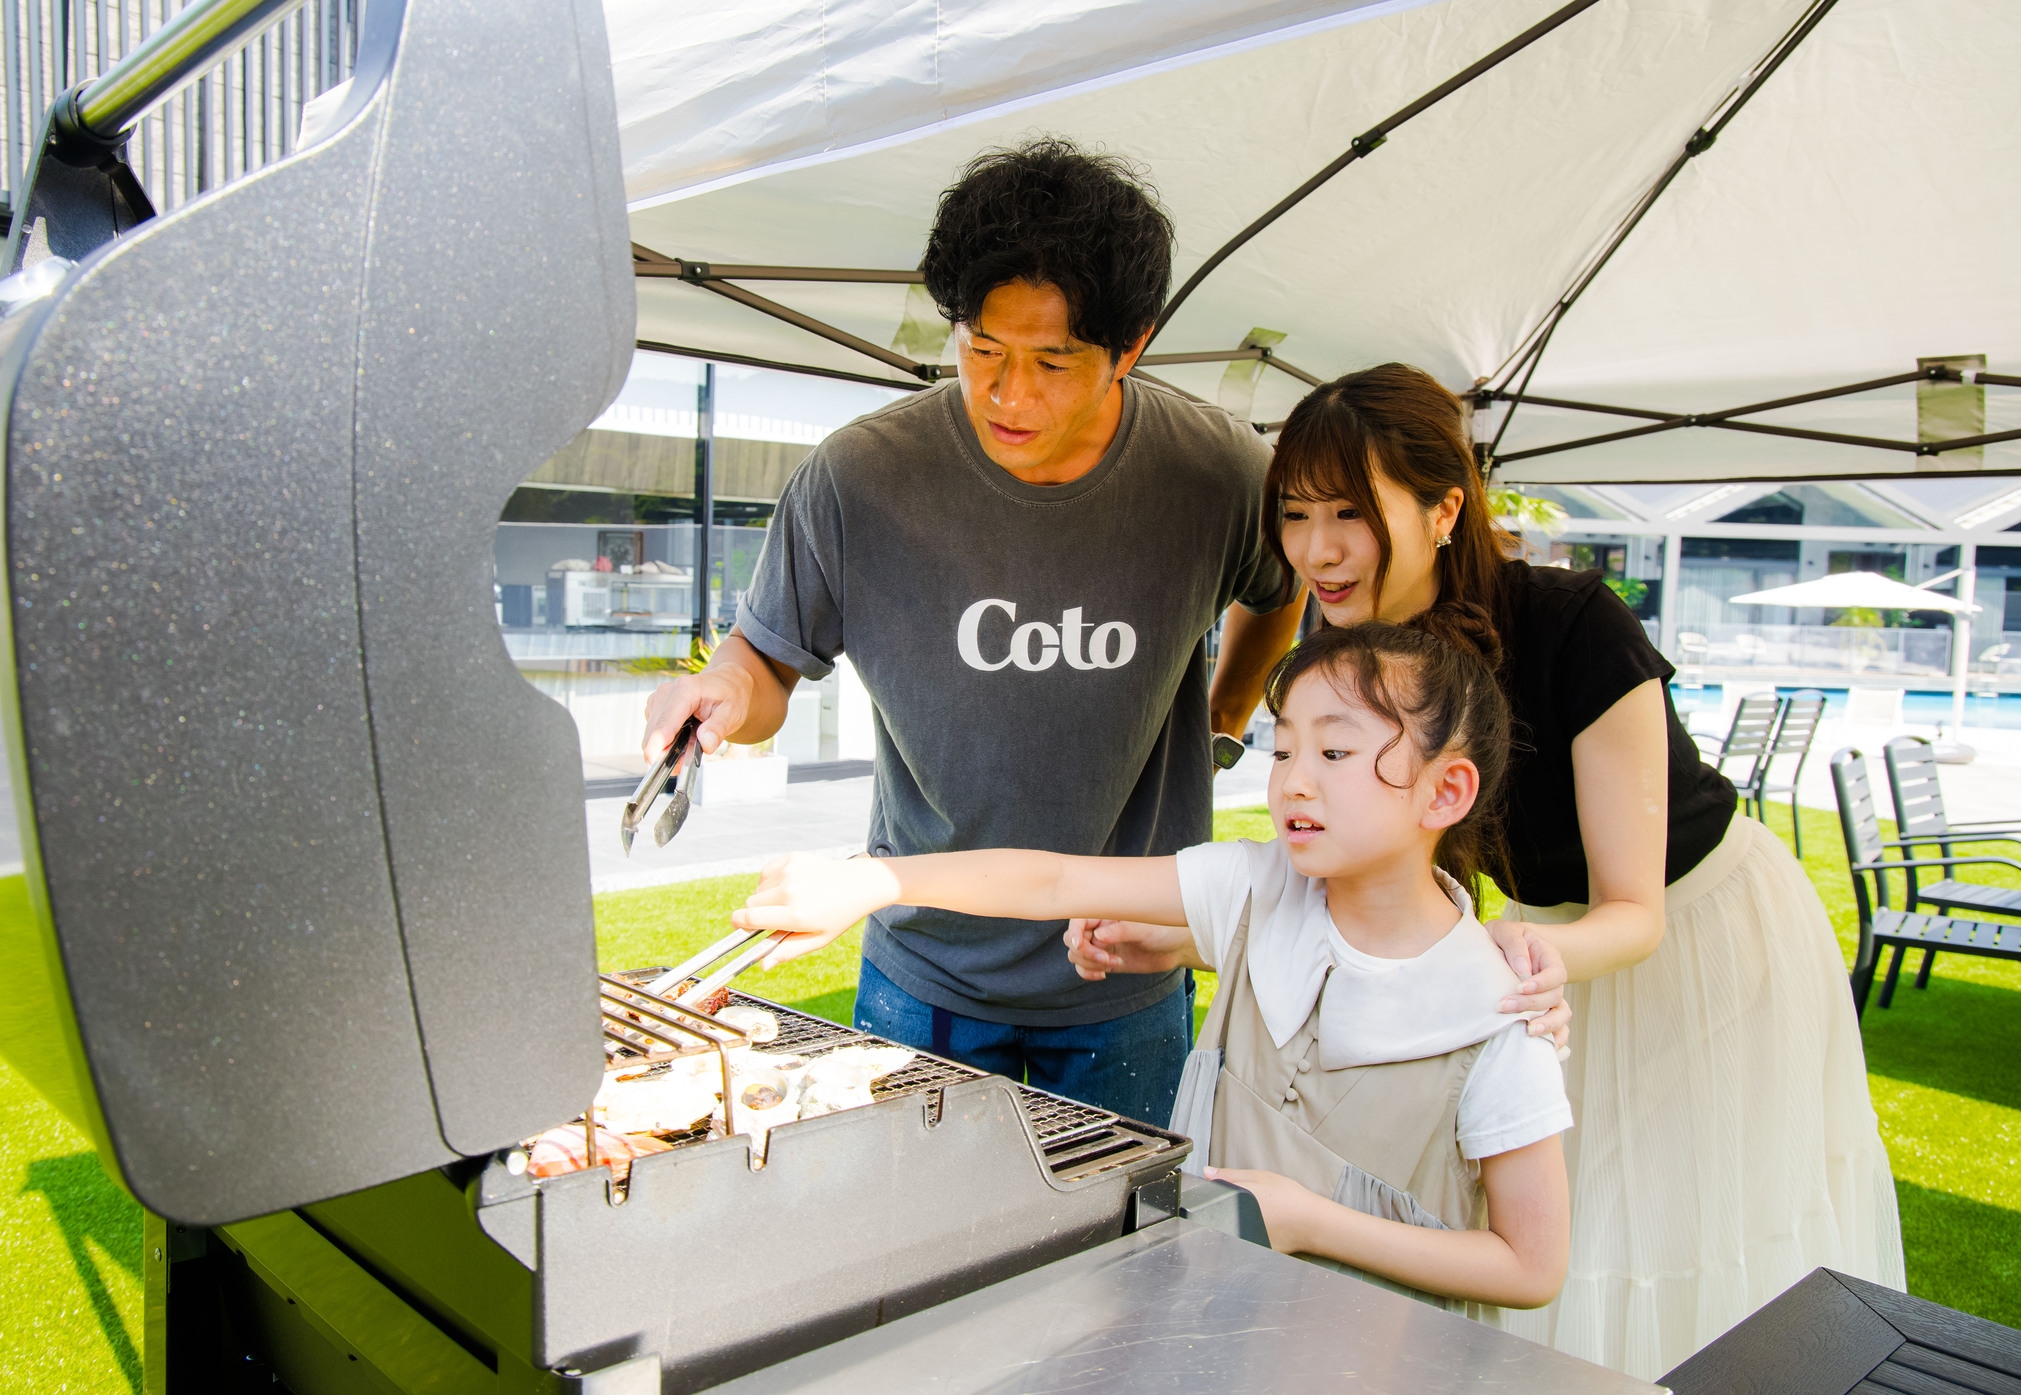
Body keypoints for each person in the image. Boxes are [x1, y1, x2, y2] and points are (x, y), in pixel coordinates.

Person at [640, 139, 1568, 1123]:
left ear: (1129, 345)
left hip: (1128, 972)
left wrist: (1224, 716)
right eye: (980, 351)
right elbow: (766, 664)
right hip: (922, 967)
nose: (1007, 394)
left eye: (1050, 361)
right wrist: (720, 695)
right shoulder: (858, 477)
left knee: (1127, 1259)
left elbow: (1276, 590)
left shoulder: (1213, 471)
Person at [1266, 362, 1905, 1376]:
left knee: (1661, 1229)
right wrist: (1180, 927)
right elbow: (1328, 853)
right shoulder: (1335, 637)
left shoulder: (1574, 625)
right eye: (1295, 514)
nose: (1315, 550)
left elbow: (1631, 909)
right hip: (1535, 954)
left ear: (1442, 508)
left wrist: (1517, 952)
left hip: (1695, 941)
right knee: (1548, 1224)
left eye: (1348, 511)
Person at [735, 620, 1573, 1317]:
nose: (1294, 783)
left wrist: (1309, 1222)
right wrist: (871, 878)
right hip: (1204, 1329)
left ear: (1444, 791)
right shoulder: (1254, 882)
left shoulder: (1503, 1012)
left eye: (1334, 753)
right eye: (1282, 752)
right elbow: (1056, 878)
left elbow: (1529, 1268)